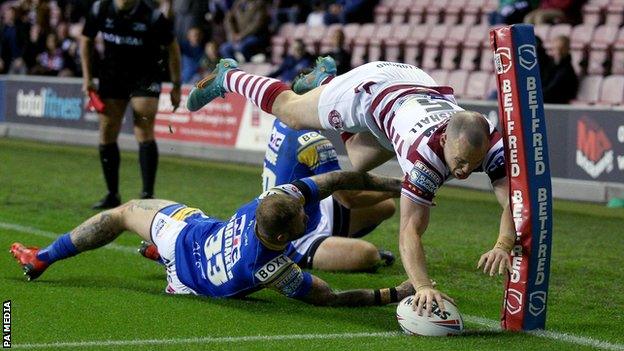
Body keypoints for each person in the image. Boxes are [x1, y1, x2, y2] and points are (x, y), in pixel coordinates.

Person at [186, 58, 516, 316]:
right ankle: (227, 77)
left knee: (358, 159)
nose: (462, 172)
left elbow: (513, 203)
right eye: (458, 162)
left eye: (472, 165)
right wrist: (423, 285)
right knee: (291, 111)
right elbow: (410, 232)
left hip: (414, 89)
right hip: (370, 90)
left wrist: (503, 243)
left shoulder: (487, 140)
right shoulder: (423, 159)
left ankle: (324, 83)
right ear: (444, 139)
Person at [10, 171, 415, 306]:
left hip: (186, 238)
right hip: (188, 281)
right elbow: (329, 297)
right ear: (280, 235)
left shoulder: (274, 201)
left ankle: (43, 257)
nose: (308, 213)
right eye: (302, 218)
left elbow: (338, 180)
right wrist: (394, 293)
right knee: (125, 212)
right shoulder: (270, 267)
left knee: (122, 213)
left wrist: (398, 184)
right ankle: (157, 258)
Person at [80, 0, 182, 209]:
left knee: (144, 128)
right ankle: (112, 194)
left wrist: (176, 84)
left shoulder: (152, 15)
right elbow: (85, 39)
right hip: (112, 75)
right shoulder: (101, 8)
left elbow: (172, 47)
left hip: (145, 76)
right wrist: (87, 77)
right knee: (107, 131)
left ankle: (147, 194)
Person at [260, 117, 396, 271]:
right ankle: (299, 256)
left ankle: (335, 248)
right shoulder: (314, 142)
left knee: (386, 206)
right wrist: (396, 188)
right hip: (296, 235)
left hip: (310, 212)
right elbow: (349, 199)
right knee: (368, 255)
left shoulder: (283, 119)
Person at [543, 35, 578, 104]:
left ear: (567, 49)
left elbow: (552, 89)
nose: (558, 52)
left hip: (559, 106)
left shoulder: (567, 70)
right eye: (555, 48)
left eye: (561, 48)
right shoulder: (550, 66)